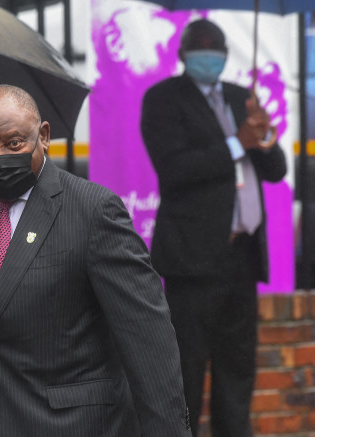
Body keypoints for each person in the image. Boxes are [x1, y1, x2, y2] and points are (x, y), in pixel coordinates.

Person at [0, 84, 192, 436]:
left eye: (13, 144)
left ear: (43, 136)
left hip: (63, 424)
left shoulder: (92, 211)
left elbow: (146, 337)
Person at [140, 19, 287, 437]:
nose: (210, 54)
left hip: (241, 259)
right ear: (184, 54)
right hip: (193, 261)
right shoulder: (164, 99)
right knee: (186, 371)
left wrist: (265, 137)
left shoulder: (243, 99)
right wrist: (238, 142)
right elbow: (175, 169)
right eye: (201, 48)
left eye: (217, 48)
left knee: (237, 370)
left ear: (226, 55)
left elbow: (275, 171)